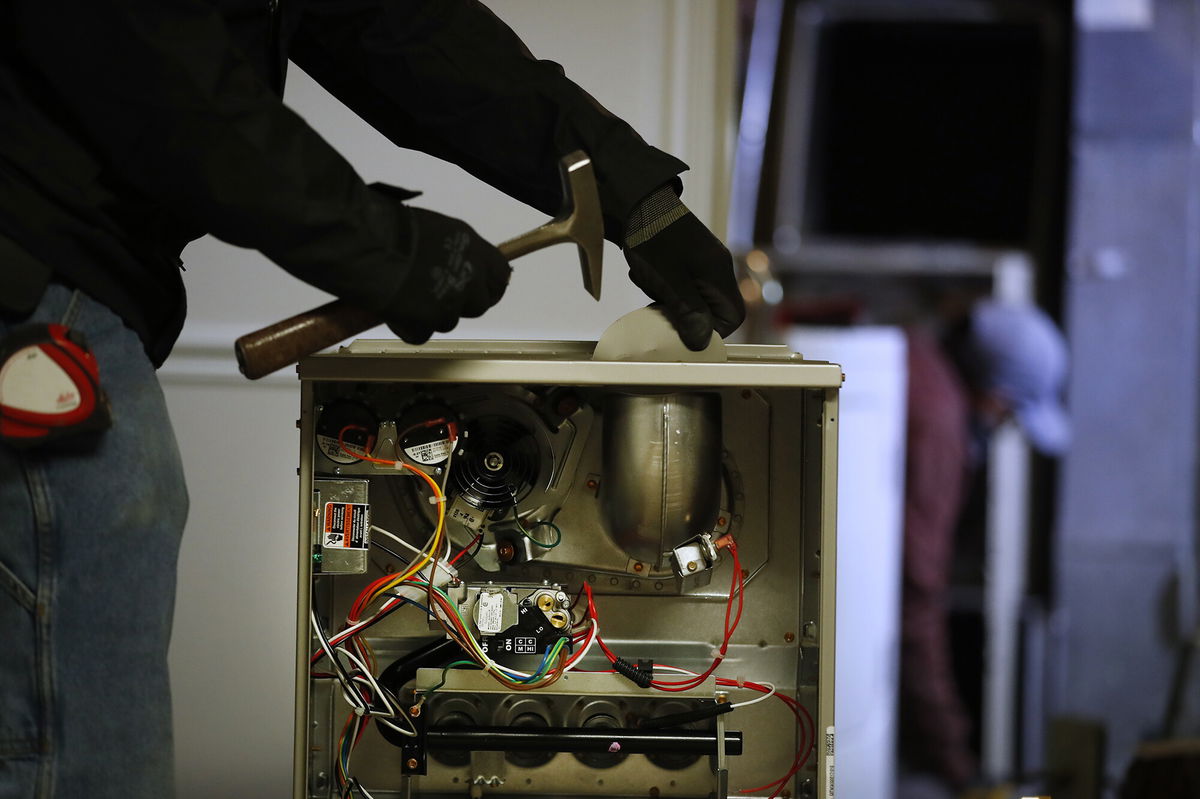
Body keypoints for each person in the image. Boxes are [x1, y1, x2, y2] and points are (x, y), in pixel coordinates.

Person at [0, 2, 745, 796]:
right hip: (32, 289)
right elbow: (143, 49)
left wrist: (639, 199)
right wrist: (382, 248)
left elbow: (403, 28)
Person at [899, 300, 1069, 795]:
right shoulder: (941, 430)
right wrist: (958, 764)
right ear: (995, 395)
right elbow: (917, 596)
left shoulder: (915, 351)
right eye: (1012, 412)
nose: (1004, 424)